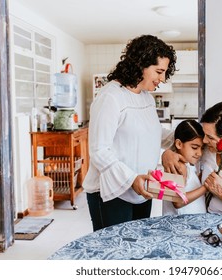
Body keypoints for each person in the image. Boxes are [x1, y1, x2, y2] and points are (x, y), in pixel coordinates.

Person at [83, 35, 177, 231]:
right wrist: (131, 179)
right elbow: (99, 150)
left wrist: (183, 139)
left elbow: (154, 133)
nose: (162, 78)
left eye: (165, 72)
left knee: (135, 248)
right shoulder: (111, 97)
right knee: (115, 254)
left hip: (142, 188)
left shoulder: (146, 98)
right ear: (141, 63)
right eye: (159, 71)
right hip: (112, 191)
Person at [162, 120, 207, 216]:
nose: (199, 153)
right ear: (179, 144)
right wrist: (205, 188)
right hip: (180, 226)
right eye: (194, 147)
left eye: (202, 148)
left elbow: (188, 185)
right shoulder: (178, 166)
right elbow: (177, 201)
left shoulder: (188, 165)